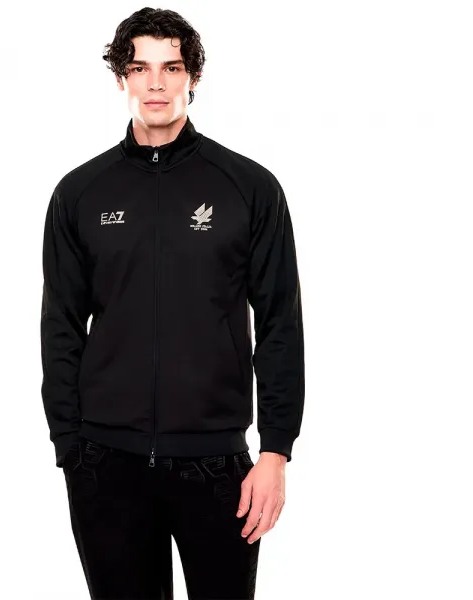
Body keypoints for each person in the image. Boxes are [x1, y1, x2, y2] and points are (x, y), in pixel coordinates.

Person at [40, 7, 305, 599]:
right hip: (105, 465)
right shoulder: (80, 193)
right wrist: (70, 449)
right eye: (140, 68)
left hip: (217, 465)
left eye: (172, 67)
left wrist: (275, 452)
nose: (155, 83)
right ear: (121, 78)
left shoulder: (248, 188)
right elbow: (61, 325)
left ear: (193, 77)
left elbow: (280, 323)